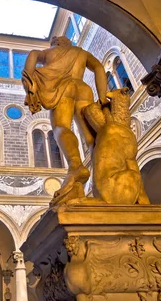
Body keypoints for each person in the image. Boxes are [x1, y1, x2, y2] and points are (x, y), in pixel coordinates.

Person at [22, 36, 107, 203]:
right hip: (83, 89)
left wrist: (29, 82)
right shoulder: (81, 53)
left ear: (56, 44)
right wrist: (103, 98)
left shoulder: (49, 52)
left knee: (61, 127)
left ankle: (76, 165)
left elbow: (33, 54)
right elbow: (98, 68)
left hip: (62, 89)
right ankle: (102, 177)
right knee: (91, 137)